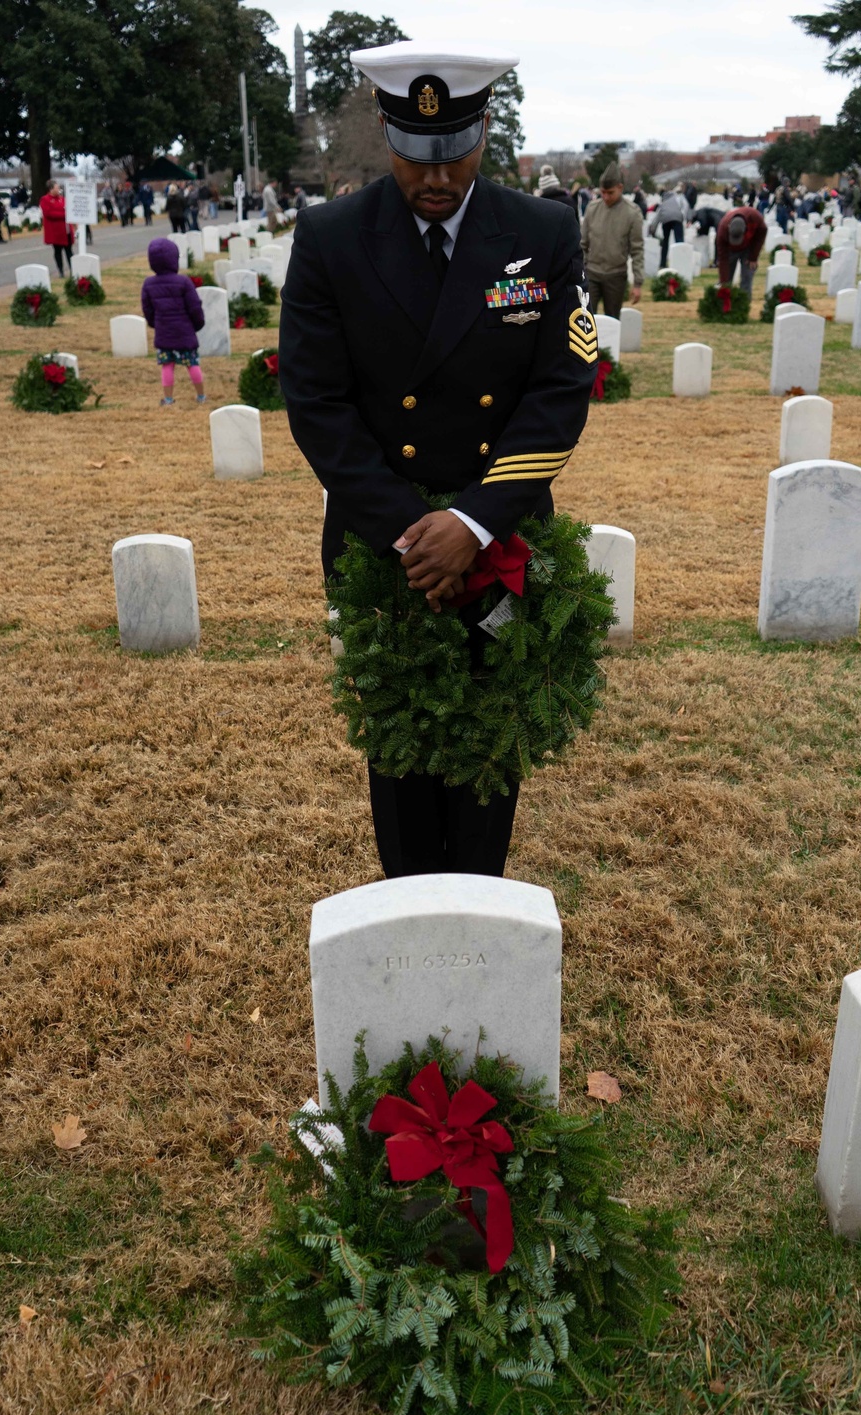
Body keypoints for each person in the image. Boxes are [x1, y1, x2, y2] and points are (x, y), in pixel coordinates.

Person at [279, 41, 596, 880]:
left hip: (504, 530)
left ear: (484, 133)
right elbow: (317, 403)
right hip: (380, 538)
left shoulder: (540, 231)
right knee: (399, 740)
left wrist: (472, 523)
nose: (436, 179)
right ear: (387, 136)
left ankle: (481, 899)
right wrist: (416, 539)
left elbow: (560, 392)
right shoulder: (331, 237)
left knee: (493, 733)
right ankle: (409, 900)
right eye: (416, 156)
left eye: (453, 154)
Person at [141, 239, 206, 406]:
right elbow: (194, 306)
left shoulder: (148, 284)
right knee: (192, 364)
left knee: (167, 366)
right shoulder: (183, 282)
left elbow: (147, 309)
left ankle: (168, 399)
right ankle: (201, 396)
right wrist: (197, 324)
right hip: (184, 332)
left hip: (164, 332)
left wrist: (155, 324)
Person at [580, 161, 643, 317]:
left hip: (616, 276)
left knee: (612, 321)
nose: (606, 197)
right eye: (603, 192)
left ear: (620, 188)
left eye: (610, 192)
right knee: (585, 320)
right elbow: (582, 244)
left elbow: (637, 249)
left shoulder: (632, 213)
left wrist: (637, 283)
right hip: (592, 274)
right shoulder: (592, 209)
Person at [715, 206, 766, 302]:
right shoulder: (722, 230)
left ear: (746, 229)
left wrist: (753, 257)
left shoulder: (755, 217)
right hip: (730, 250)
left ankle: (744, 302)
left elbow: (762, 233)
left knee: (747, 275)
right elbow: (723, 259)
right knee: (726, 277)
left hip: (749, 247)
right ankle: (726, 301)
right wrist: (724, 283)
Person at [40, 180, 73, 275]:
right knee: (58, 251)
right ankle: (61, 270)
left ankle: (73, 269)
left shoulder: (62, 199)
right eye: (57, 188)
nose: (59, 190)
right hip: (56, 231)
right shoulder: (45, 199)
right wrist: (64, 214)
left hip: (66, 230)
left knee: (69, 251)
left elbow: (68, 210)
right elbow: (49, 213)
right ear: (51, 189)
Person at [650, 187, 686, 267]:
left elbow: (657, 218)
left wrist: (653, 230)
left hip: (666, 220)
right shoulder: (676, 199)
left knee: (665, 242)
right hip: (677, 218)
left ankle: (663, 263)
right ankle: (681, 262)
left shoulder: (663, 204)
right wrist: (683, 218)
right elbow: (684, 207)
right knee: (679, 241)